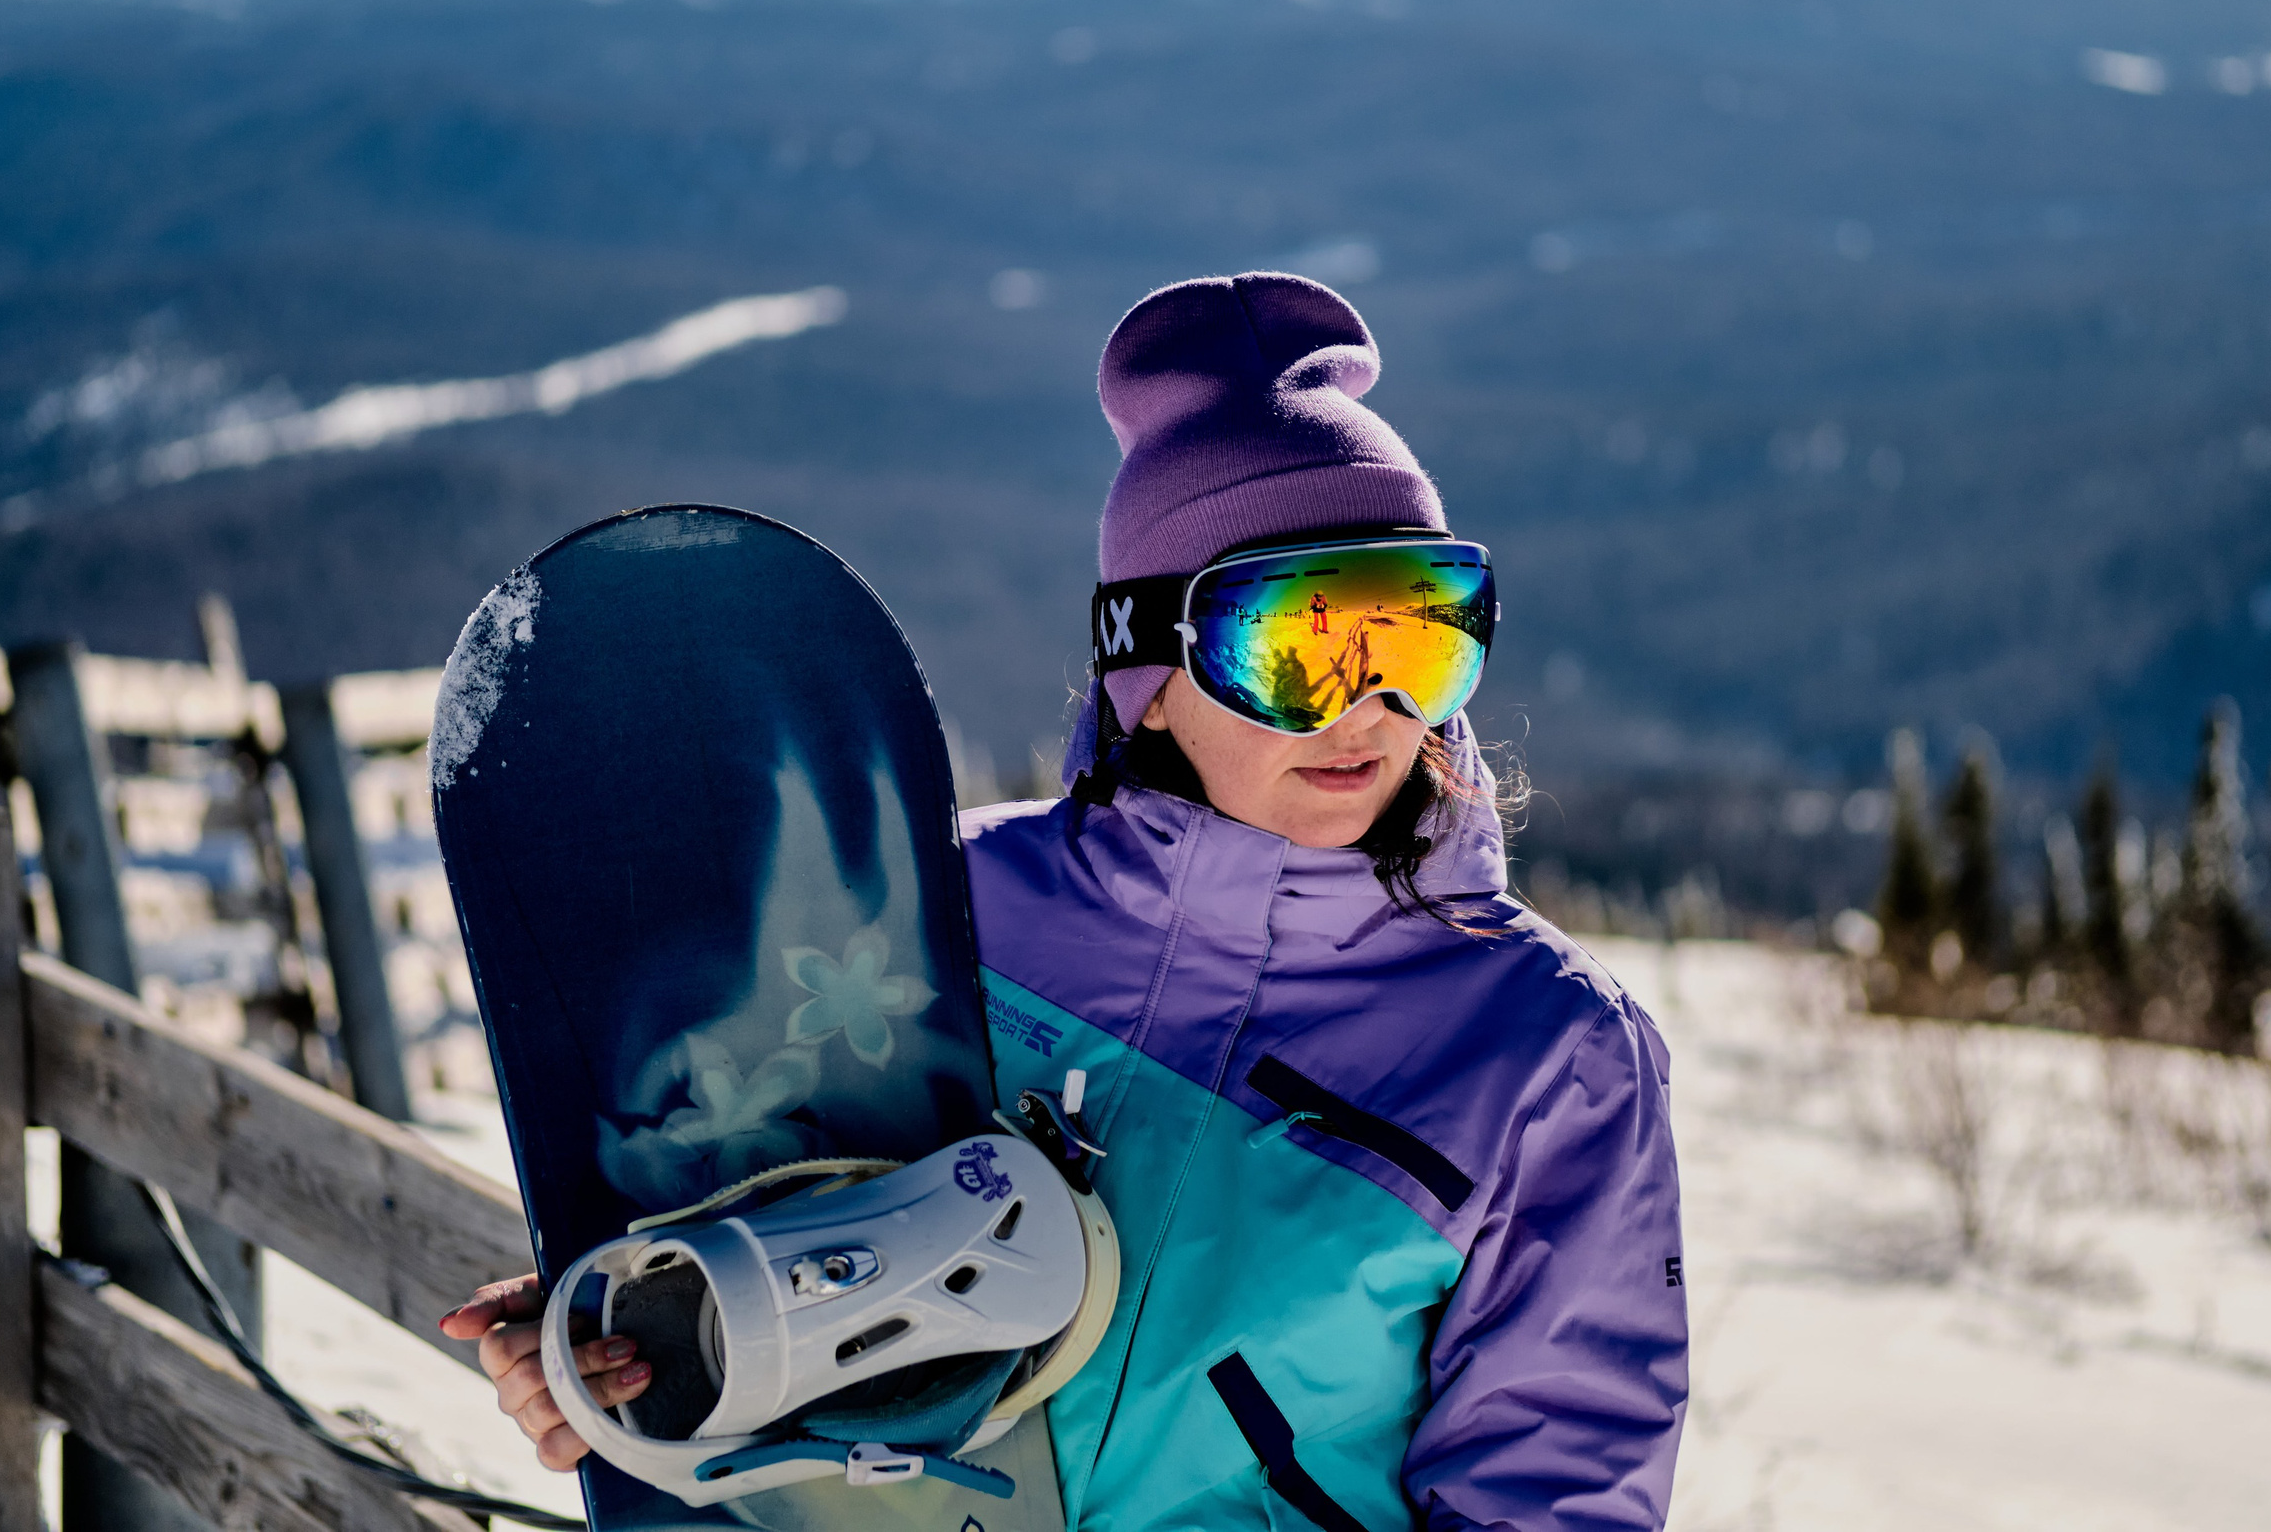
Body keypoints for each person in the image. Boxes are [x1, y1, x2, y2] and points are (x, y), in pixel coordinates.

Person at [444, 273, 1689, 1528]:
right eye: (1294, 645)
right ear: (1149, 665)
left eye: (1417, 632)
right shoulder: (932, 917)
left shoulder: (1546, 1051)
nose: (1369, 703)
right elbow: (788, 1243)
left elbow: (1555, 1492)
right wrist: (623, 1349)